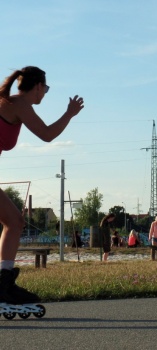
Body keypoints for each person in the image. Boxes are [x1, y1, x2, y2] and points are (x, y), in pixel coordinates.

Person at [0, 66, 84, 304]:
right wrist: (69, 113)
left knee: (14, 221)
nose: (44, 94)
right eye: (45, 89)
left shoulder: (8, 102)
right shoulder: (19, 104)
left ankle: (4, 282)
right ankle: (3, 284)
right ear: (37, 87)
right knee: (14, 222)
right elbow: (47, 134)